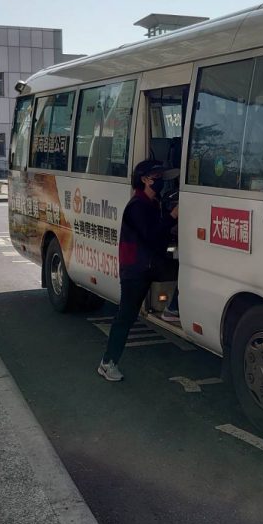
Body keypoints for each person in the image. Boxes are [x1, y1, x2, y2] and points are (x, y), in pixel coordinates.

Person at [98, 159, 178, 382]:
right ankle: (107, 363)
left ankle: (173, 307)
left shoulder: (152, 203)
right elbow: (151, 235)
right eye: (157, 178)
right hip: (136, 270)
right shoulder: (137, 206)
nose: (161, 181)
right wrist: (172, 217)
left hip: (149, 266)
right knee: (125, 317)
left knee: (182, 272)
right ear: (144, 179)